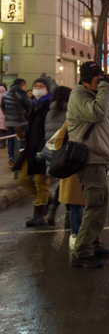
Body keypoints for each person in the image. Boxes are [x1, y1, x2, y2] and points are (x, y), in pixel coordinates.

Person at [67, 62, 109, 268]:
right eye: (97, 80)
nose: (102, 83)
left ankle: (93, 244)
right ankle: (82, 252)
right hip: (90, 159)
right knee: (97, 208)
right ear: (85, 82)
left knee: (106, 206)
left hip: (103, 158)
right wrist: (106, 88)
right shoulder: (79, 96)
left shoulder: (100, 94)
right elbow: (98, 113)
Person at [15, 78, 53, 227]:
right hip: (30, 148)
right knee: (23, 178)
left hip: (43, 148)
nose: (38, 88)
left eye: (41, 86)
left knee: (41, 181)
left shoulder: (49, 106)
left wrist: (44, 147)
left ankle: (39, 213)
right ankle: (45, 201)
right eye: (35, 85)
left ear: (48, 89)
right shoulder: (34, 105)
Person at [42, 85, 71, 226]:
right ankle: (66, 216)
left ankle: (53, 210)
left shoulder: (50, 113)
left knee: (62, 184)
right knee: (68, 186)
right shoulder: (70, 113)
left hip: (52, 153)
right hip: (66, 154)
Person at [2, 78, 31, 168]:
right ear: (22, 85)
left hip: (9, 122)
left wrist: (8, 116)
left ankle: (11, 158)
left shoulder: (6, 94)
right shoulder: (22, 93)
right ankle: (15, 159)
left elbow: (3, 107)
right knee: (23, 140)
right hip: (20, 122)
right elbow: (30, 106)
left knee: (11, 141)